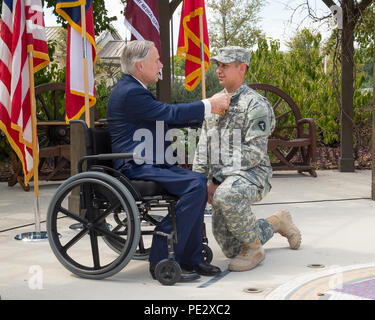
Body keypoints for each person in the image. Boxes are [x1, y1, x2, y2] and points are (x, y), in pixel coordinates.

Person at [106, 40, 230, 282]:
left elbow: (166, 118)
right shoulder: (131, 92)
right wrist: (208, 105)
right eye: (157, 60)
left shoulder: (134, 88)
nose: (161, 64)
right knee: (195, 185)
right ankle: (163, 255)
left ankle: (191, 257)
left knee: (196, 182)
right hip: (133, 165)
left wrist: (205, 113)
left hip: (146, 161)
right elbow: (168, 114)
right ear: (140, 65)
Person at [193, 46, 302, 272]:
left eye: (225, 65)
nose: (219, 70)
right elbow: (204, 146)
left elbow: (254, 152)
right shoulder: (214, 102)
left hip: (253, 174)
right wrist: (198, 182)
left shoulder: (256, 105)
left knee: (227, 194)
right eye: (218, 66)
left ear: (241, 69)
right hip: (223, 179)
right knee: (231, 249)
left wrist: (218, 179)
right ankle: (278, 221)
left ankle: (254, 249)